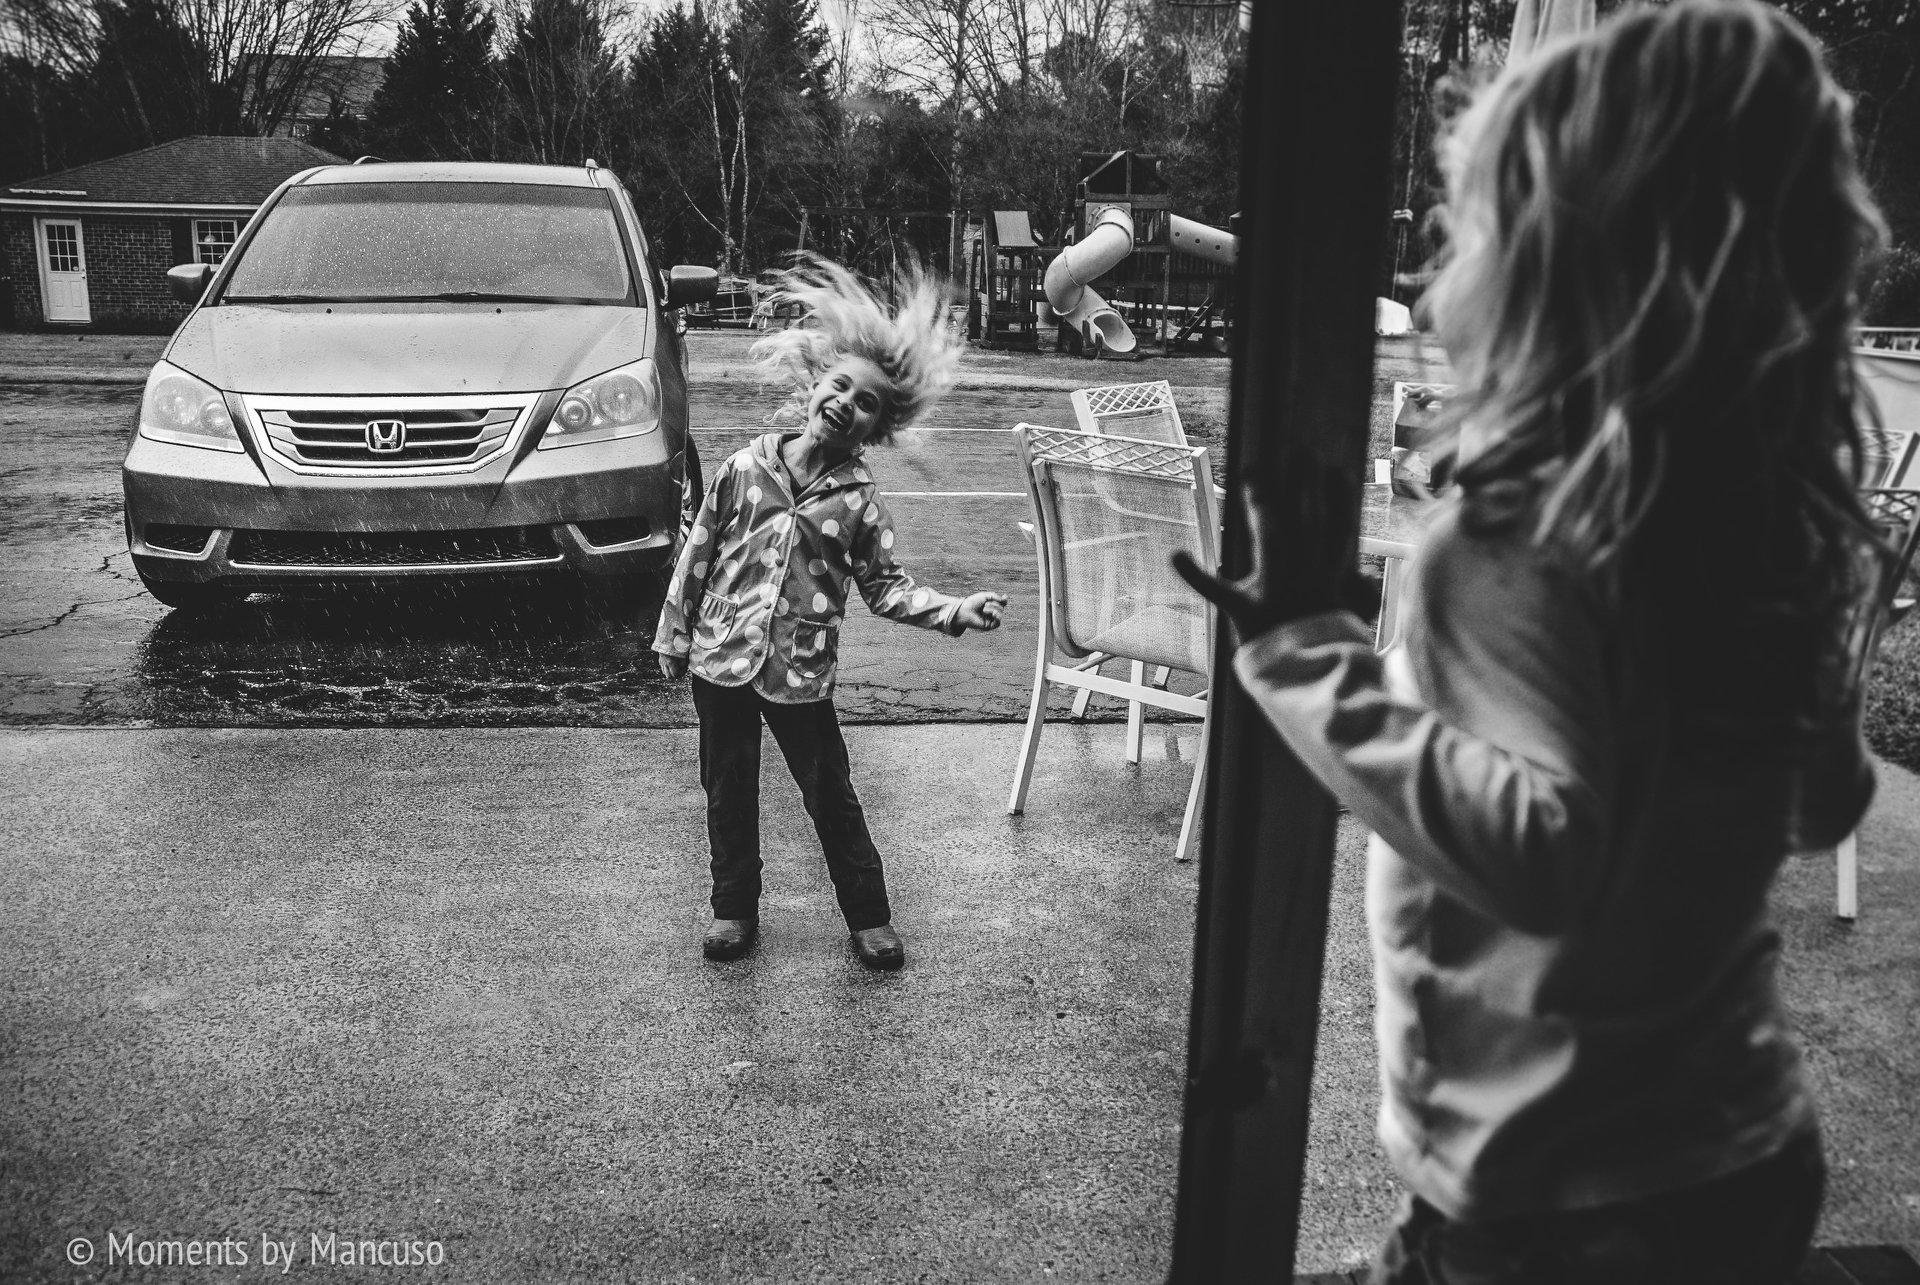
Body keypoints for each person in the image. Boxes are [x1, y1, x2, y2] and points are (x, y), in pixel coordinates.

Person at [1178, 4, 1887, 1281]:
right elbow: (1829, 798)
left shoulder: (1512, 542)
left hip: (1556, 1206)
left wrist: (1303, 653)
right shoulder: (1761, 519)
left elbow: (1546, 852)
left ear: (1543, 264)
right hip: (1746, 1157)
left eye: (1473, 227)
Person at [654, 256, 1008, 971]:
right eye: (841, 385)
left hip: (800, 674)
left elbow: (887, 586)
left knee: (830, 794)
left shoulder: (857, 503)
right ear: (815, 384)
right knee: (727, 789)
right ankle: (733, 908)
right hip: (720, 659)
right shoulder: (746, 468)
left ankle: (868, 915)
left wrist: (951, 608)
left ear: (880, 427)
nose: (847, 401)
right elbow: (697, 551)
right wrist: (674, 632)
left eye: (867, 401)